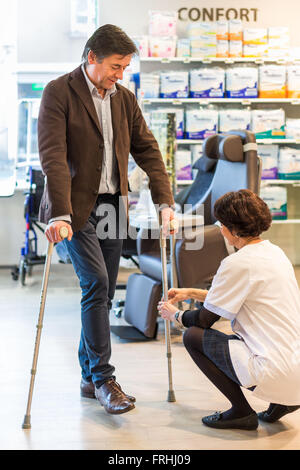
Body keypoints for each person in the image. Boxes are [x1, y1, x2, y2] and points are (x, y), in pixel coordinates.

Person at [38, 24, 176, 415]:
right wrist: (61, 213)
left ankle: (87, 375)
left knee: (103, 290)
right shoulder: (58, 93)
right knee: (96, 282)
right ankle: (103, 379)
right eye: (116, 66)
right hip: (74, 208)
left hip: (113, 207)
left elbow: (148, 151)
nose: (121, 74)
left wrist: (164, 201)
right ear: (92, 57)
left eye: (125, 67)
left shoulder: (124, 99)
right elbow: (53, 158)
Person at [158, 189, 300, 430]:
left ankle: (241, 412)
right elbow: (242, 297)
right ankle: (283, 402)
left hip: (272, 371)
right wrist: (191, 292)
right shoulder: (275, 253)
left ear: (233, 229)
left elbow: (204, 320)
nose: (219, 228)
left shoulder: (236, 263)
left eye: (220, 223)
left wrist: (175, 315)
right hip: (296, 373)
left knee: (193, 336)